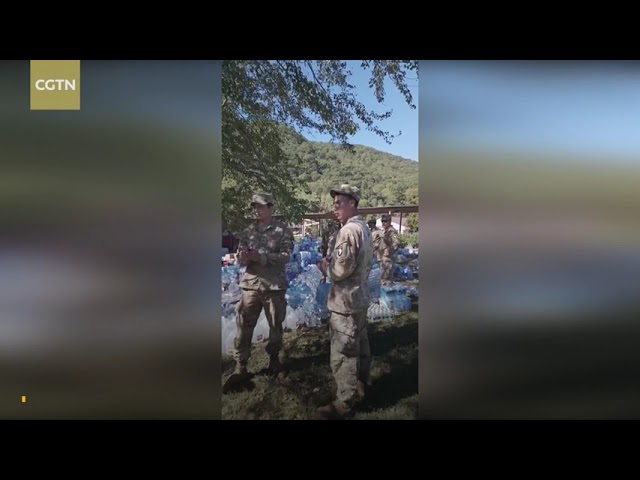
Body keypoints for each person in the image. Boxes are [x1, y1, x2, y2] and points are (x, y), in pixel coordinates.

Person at [317, 184, 373, 419]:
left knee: (343, 353)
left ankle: (345, 402)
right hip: (358, 299)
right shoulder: (364, 228)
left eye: (339, 203)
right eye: (334, 203)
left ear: (352, 203)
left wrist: (326, 267)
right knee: (360, 345)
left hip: (345, 302)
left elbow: (340, 270)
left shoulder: (348, 231)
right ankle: (362, 385)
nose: (335, 208)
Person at [231, 193, 294, 379]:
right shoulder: (248, 231)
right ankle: (240, 365)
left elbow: (286, 256)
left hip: (273, 286)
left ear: (270, 207)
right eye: (255, 207)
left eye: (260, 207)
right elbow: (239, 259)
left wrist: (262, 257)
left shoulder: (282, 231)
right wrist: (242, 257)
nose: (257, 210)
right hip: (251, 285)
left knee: (275, 324)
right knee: (243, 325)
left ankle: (274, 360)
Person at [379, 214, 399, 286]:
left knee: (386, 279)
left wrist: (389, 251)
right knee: (383, 278)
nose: (383, 223)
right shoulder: (385, 231)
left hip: (388, 259)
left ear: (390, 222)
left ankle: (387, 295)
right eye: (382, 221)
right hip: (383, 258)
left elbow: (396, 243)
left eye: (385, 221)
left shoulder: (392, 231)